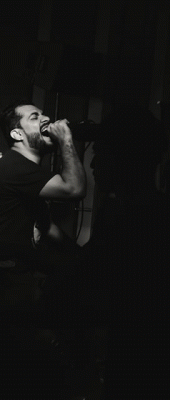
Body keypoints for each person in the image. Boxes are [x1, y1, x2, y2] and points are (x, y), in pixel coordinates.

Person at [81, 103, 169, 398]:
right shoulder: (145, 211)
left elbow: (89, 284)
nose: (93, 164)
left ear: (124, 157)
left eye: (101, 152)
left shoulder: (125, 217)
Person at [0, 101, 86, 315]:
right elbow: (74, 188)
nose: (46, 119)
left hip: (14, 272)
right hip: (4, 278)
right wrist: (66, 139)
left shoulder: (24, 168)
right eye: (34, 117)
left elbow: (46, 226)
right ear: (17, 134)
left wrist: (81, 257)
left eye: (43, 114)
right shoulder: (15, 166)